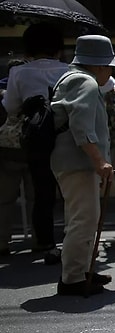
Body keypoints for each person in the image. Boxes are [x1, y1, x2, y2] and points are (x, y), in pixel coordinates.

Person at [50, 35, 115, 296]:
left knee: (81, 218)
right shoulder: (85, 82)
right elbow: (81, 127)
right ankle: (72, 279)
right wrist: (99, 160)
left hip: (70, 162)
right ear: (99, 65)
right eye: (109, 66)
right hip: (78, 163)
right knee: (85, 219)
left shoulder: (70, 78)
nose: (110, 71)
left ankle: (81, 271)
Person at [2, 23, 69, 265]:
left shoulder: (19, 73)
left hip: (37, 138)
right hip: (67, 136)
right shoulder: (70, 70)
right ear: (58, 48)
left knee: (42, 192)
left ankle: (44, 240)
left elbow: (10, 107)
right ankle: (72, 241)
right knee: (72, 191)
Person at [0, 58, 30, 257]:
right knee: (35, 198)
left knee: (4, 200)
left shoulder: (2, 93)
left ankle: (2, 241)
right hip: (32, 149)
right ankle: (40, 240)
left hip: (7, 151)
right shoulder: (31, 88)